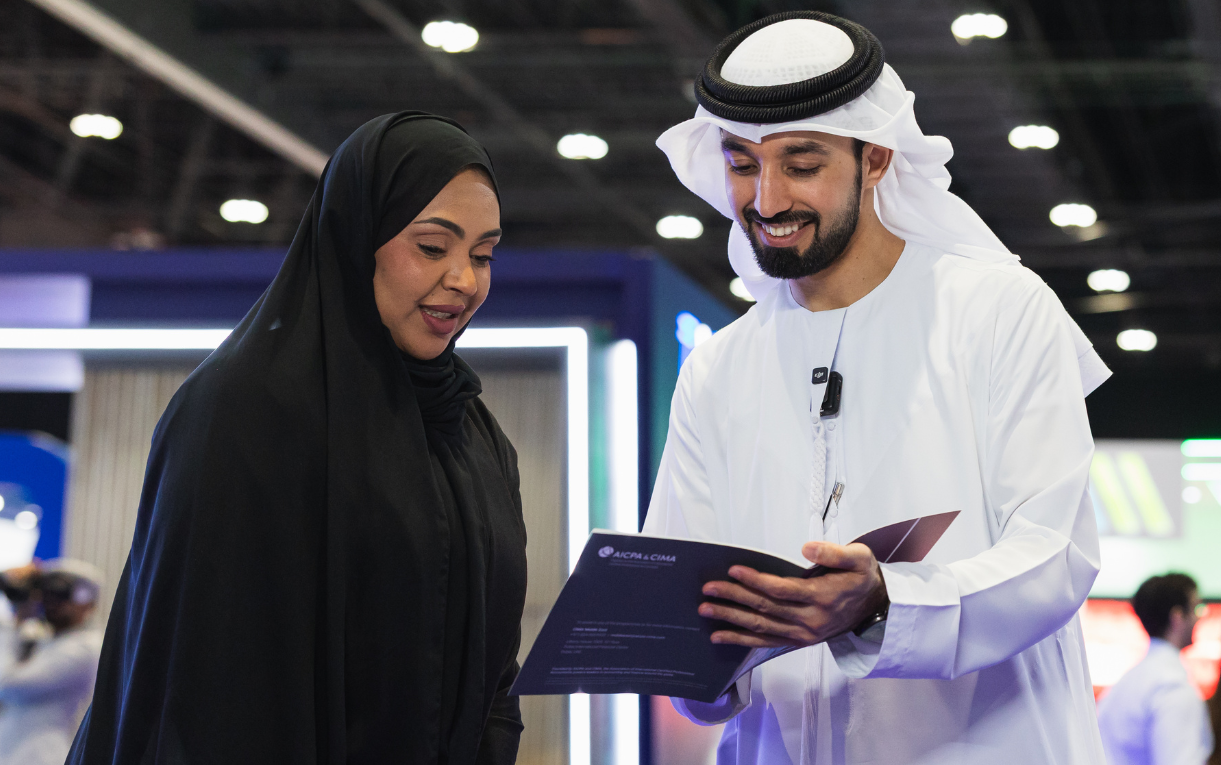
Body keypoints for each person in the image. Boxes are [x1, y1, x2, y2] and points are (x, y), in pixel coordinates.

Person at [642, 11, 1110, 764]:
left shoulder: (997, 310)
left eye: (801, 164)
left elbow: (1053, 554)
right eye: (741, 164)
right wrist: (684, 655)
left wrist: (885, 601)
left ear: (877, 157)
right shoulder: (719, 367)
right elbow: (687, 612)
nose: (766, 199)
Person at [67, 112, 528, 764]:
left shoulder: (470, 431)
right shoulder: (242, 411)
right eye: (432, 247)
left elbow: (494, 675)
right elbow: (204, 689)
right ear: (356, 235)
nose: (465, 280)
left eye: (482, 255)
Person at [1098, 573, 1213, 765]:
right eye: (1197, 609)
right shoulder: (1172, 687)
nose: (1199, 618)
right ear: (1177, 617)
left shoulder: (1125, 683)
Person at [0, 559, 103, 765]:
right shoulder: (42, 638)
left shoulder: (84, 648)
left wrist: (14, 626)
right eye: (47, 594)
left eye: (62, 595)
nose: (52, 603)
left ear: (87, 603)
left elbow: (8, 684)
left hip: (39, 756)